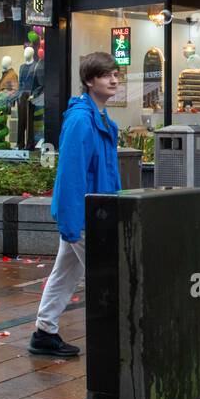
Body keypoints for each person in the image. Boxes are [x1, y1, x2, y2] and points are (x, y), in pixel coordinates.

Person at [31, 52, 121, 357]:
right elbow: (70, 176)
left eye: (116, 74)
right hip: (85, 218)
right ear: (89, 81)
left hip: (95, 214)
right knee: (112, 274)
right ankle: (118, 337)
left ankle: (44, 331)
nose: (113, 80)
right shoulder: (82, 121)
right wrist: (72, 226)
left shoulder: (101, 119)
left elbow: (107, 172)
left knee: (65, 273)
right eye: (106, 75)